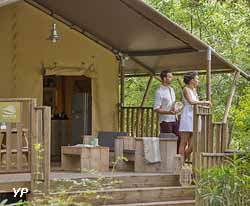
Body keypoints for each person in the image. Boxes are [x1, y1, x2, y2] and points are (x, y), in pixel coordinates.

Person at [178, 72, 212, 160]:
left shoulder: (194, 90)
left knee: (194, 142)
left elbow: (196, 103)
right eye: (197, 79)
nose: (198, 81)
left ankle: (183, 158)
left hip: (195, 116)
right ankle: (180, 163)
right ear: (192, 80)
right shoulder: (186, 89)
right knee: (184, 142)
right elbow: (191, 102)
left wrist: (204, 106)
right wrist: (204, 102)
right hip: (187, 115)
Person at [154, 70, 181, 152]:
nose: (171, 78)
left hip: (174, 119)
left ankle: (175, 159)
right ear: (164, 78)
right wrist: (168, 112)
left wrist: (178, 108)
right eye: (169, 77)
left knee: (179, 138)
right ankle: (167, 161)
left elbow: (172, 104)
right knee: (168, 141)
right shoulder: (159, 92)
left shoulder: (172, 89)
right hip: (165, 121)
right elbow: (156, 108)